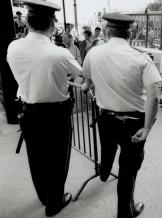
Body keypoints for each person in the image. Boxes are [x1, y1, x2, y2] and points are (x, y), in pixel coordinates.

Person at [7, 0, 84, 216]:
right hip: (55, 113)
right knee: (58, 159)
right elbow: (82, 73)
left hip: (28, 111)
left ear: (28, 23)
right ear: (52, 24)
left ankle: (43, 196)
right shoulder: (60, 53)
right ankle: (54, 203)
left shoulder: (13, 47)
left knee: (36, 157)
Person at [81, 13, 162, 218]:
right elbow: (153, 97)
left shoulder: (93, 53)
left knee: (107, 147)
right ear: (131, 32)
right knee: (128, 169)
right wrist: (148, 128)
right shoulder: (141, 58)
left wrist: (88, 86)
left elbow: (87, 82)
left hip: (105, 118)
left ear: (108, 32)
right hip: (133, 122)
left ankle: (105, 171)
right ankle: (126, 212)